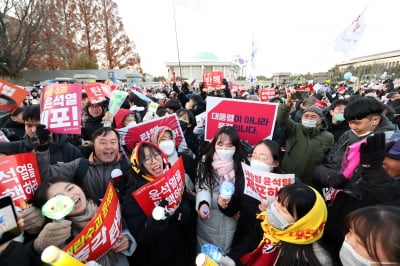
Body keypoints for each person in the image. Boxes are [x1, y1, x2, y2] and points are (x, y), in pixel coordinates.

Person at [27, 179, 136, 266]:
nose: (70, 196)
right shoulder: (57, 236)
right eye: (58, 198)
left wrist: (127, 241)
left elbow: (125, 229)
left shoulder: (105, 204)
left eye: (70, 188)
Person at [227, 183, 333, 266]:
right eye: (277, 201)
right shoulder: (267, 225)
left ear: (303, 222)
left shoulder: (310, 259)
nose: (274, 208)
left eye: (283, 210)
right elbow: (246, 246)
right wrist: (227, 261)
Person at [122, 141, 191, 266]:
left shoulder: (172, 177)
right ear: (138, 165)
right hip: (154, 257)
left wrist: (182, 212)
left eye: (156, 155)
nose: (154, 161)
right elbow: (138, 236)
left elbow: (184, 200)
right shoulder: (133, 195)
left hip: (179, 250)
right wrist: (156, 220)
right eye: (147, 159)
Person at [312, 96, 398, 189]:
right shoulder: (349, 134)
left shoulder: (392, 141)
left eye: (357, 123)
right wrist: (329, 175)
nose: (353, 127)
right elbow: (332, 159)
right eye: (349, 123)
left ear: (375, 120)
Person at [219, 139, 286, 248]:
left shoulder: (285, 185)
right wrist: (225, 204)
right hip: (243, 236)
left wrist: (269, 213)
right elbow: (233, 208)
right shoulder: (244, 177)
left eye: (263, 158)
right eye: (254, 156)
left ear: (275, 163)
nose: (256, 160)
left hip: (268, 242)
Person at [196, 126, 248, 254]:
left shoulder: (244, 165)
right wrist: (203, 203)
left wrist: (237, 207)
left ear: (236, 147)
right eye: (220, 144)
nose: (224, 149)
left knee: (228, 255)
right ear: (214, 144)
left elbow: (246, 192)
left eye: (229, 145)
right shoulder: (205, 162)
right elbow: (202, 187)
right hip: (210, 219)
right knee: (207, 255)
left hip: (233, 219)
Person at [277, 89, 334, 185]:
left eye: (313, 117)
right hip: (288, 177)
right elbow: (282, 119)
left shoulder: (328, 137)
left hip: (310, 181)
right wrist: (288, 103)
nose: (309, 118)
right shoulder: (294, 128)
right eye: (306, 116)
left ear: (320, 120)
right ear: (302, 118)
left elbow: (328, 159)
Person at [0, 105, 82, 164]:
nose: (33, 130)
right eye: (29, 125)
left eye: (39, 126)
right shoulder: (17, 148)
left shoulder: (70, 150)